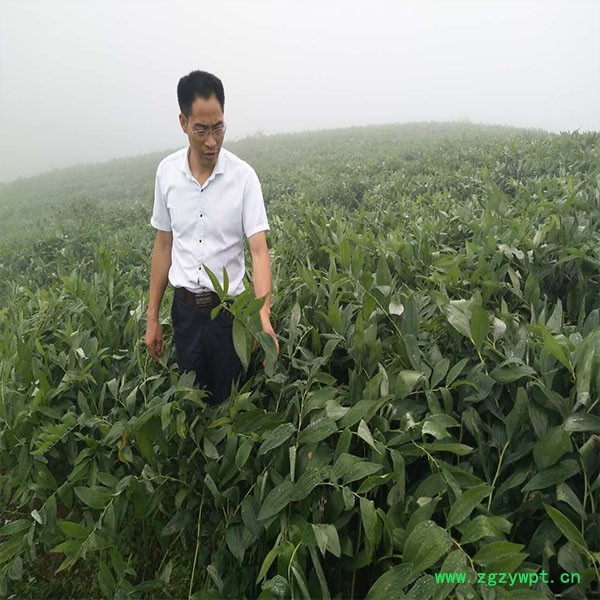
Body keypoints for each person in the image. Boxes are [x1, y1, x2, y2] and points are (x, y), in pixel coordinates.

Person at [144, 70, 279, 404]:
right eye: (201, 129)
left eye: (218, 128)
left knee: (230, 402)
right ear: (183, 123)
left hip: (231, 314)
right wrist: (152, 317)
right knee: (192, 401)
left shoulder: (243, 177)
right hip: (185, 313)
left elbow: (259, 252)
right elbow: (163, 245)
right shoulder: (167, 174)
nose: (211, 141)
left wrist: (263, 316)